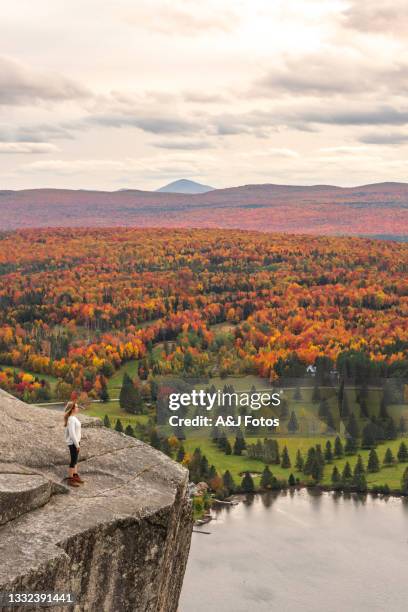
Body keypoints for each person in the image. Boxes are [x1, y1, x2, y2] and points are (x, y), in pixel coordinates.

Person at [64, 401, 84, 487]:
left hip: (75, 442)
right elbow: (72, 433)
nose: (77, 408)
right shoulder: (71, 419)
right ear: (72, 409)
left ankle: (75, 475)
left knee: (75, 460)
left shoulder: (74, 418)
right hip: (73, 443)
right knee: (73, 460)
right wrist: (77, 445)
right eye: (76, 407)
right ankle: (70, 479)